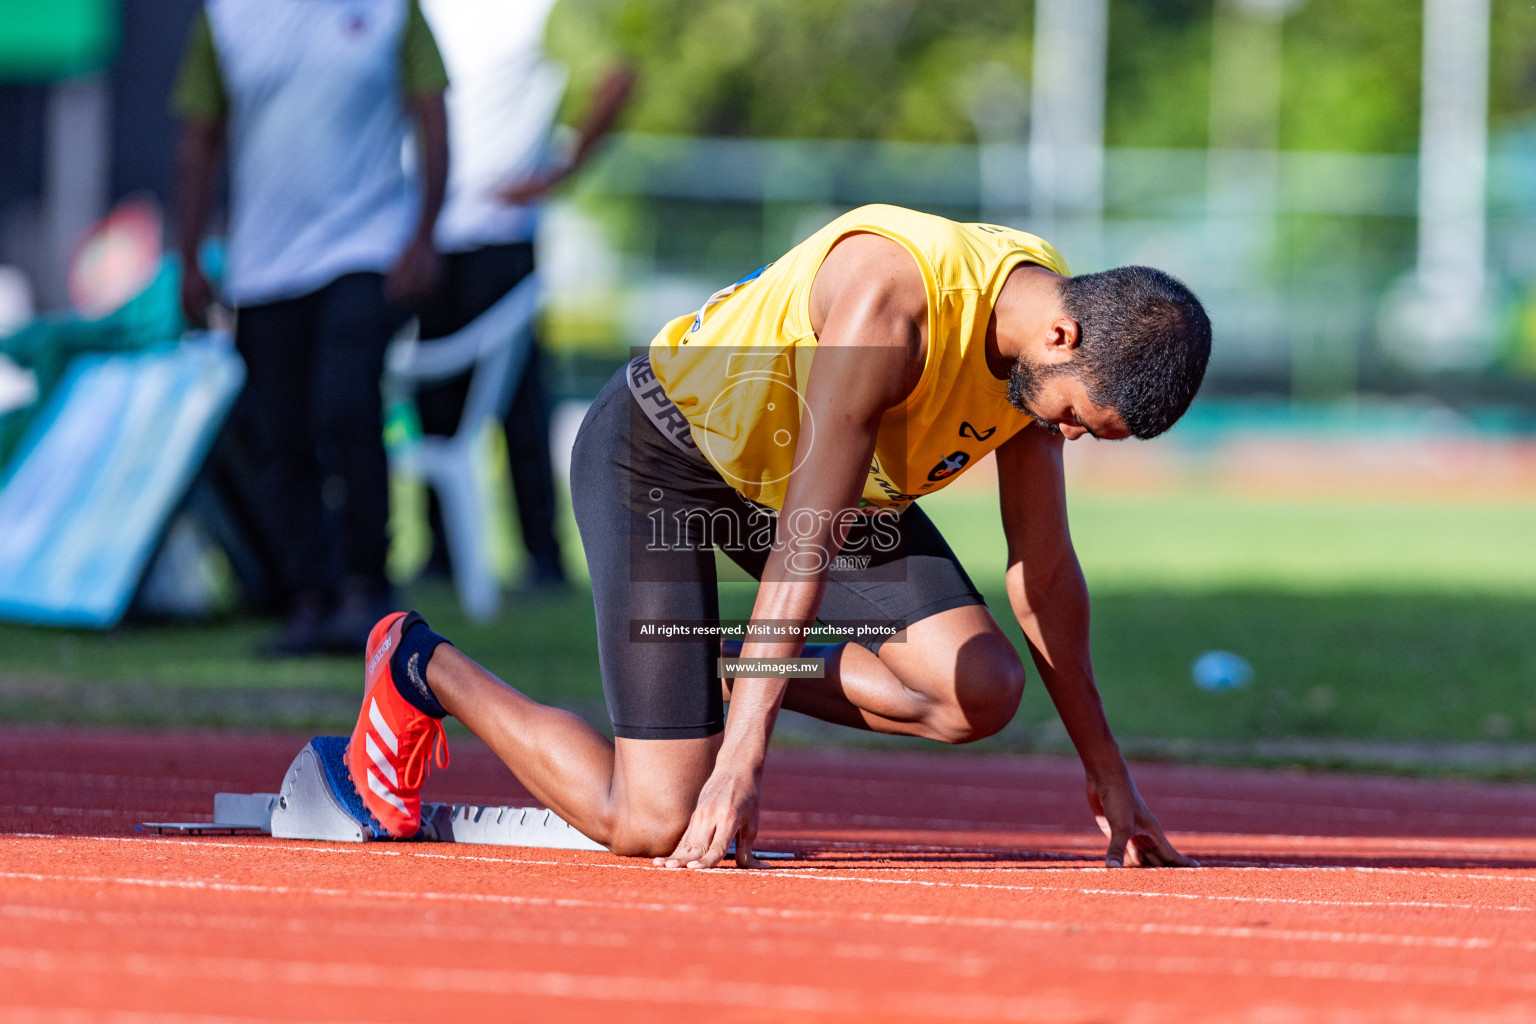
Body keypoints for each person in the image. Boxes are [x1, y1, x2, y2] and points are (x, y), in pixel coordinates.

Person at [345, 204, 1210, 870]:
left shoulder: (1046, 325)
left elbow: (1044, 571)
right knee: (656, 822)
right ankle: (421, 663)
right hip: (664, 457)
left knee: (977, 690)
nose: (1066, 438)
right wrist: (740, 759)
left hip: (815, 485)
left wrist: (1107, 772)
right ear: (1063, 336)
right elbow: (808, 531)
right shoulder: (891, 304)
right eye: (1080, 421)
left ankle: (720, 660)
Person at [171, 0, 450, 654]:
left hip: (364, 245)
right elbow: (197, 138)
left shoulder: (390, 10)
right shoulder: (227, 17)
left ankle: (366, 590)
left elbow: (432, 112)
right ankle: (308, 597)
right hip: (265, 264)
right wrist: (188, 257)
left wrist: (425, 235)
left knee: (346, 404)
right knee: (281, 435)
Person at [414, 0, 635, 592]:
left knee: (520, 404)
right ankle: (444, 555)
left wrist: (561, 172)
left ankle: (542, 556)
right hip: (426, 235)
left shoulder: (542, 10)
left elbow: (616, 74)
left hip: (498, 238)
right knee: (433, 404)